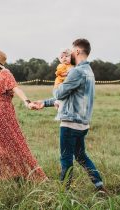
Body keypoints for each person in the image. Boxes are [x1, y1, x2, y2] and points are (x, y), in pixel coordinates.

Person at [34, 39, 107, 192]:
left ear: (78, 51)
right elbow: (70, 96)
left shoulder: (76, 71)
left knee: (66, 158)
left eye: (72, 51)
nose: (70, 54)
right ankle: (99, 185)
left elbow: (60, 93)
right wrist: (45, 103)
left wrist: (58, 83)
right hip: (83, 123)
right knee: (81, 156)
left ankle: (64, 192)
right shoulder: (89, 71)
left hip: (70, 123)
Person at [0, 49, 47, 180]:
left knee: (13, 142)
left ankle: (21, 172)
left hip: (2, 112)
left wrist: (27, 102)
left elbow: (16, 87)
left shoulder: (5, 73)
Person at [54, 49, 74, 119]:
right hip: (59, 85)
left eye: (66, 56)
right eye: (62, 57)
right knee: (64, 101)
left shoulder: (71, 66)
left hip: (65, 85)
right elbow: (59, 73)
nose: (64, 58)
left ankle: (57, 102)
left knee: (66, 99)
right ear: (60, 60)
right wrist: (68, 73)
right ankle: (60, 116)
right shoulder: (61, 66)